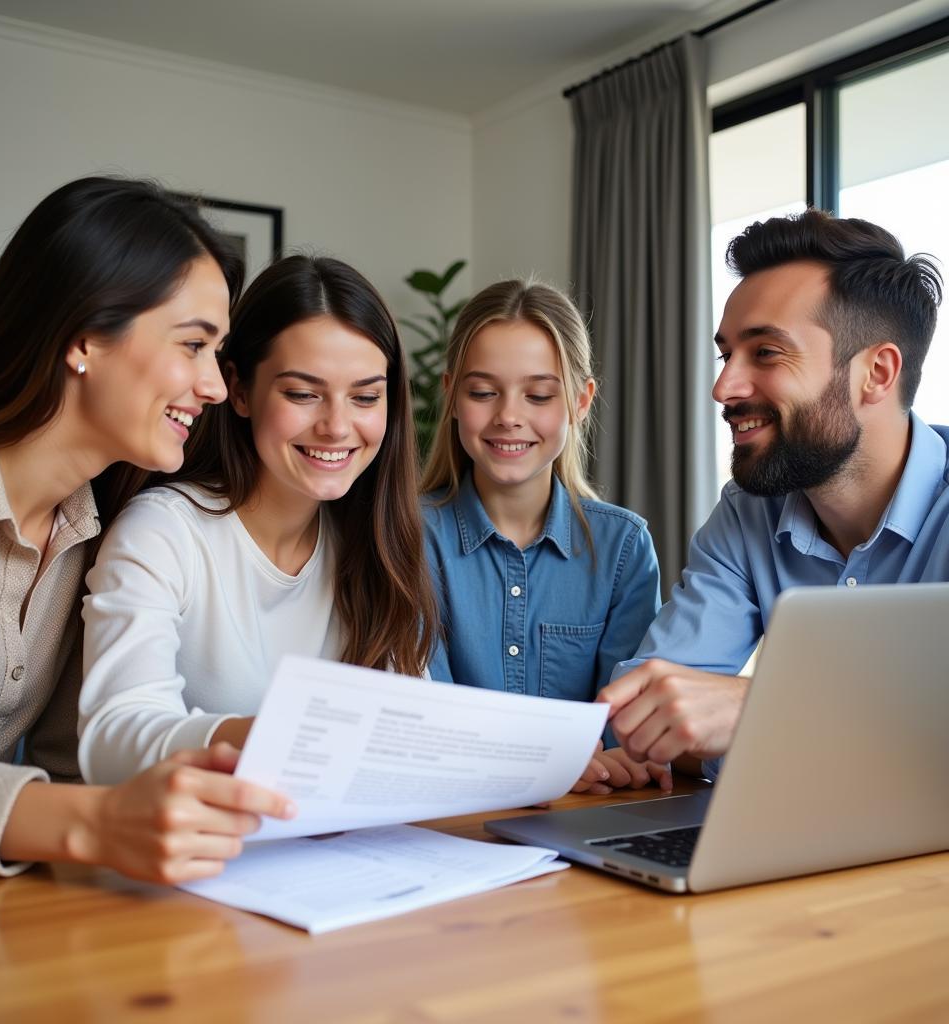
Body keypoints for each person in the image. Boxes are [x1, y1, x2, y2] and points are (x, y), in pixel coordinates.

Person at [0, 176, 296, 882]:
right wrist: (93, 823)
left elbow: (77, 764)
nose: (217, 387)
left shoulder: (96, 529)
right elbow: (83, 813)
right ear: (85, 338)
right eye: (193, 346)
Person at [599, 209, 948, 778]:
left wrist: (761, 711)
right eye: (726, 354)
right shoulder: (747, 513)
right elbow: (643, 716)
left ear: (878, 374)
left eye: (765, 353)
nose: (723, 388)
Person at [79, 255, 438, 783]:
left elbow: (413, 734)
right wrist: (266, 734)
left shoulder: (372, 543)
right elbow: (113, 738)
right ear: (240, 390)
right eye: (302, 394)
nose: (338, 426)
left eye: (365, 397)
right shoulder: (164, 532)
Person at [421, 278, 669, 795]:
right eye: (483, 392)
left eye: (538, 395)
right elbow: (427, 714)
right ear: (452, 397)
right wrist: (546, 761)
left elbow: (627, 721)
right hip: (452, 817)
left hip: (588, 814)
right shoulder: (409, 535)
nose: (509, 416)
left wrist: (614, 754)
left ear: (581, 401)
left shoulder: (623, 547)